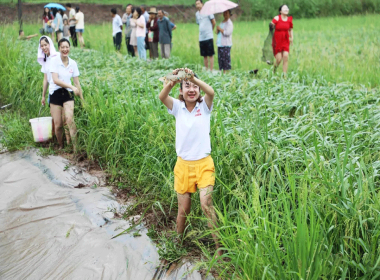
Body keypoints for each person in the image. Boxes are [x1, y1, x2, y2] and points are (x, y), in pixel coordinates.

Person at [158, 68, 222, 258]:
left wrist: (193, 78)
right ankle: (178, 242)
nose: (192, 89)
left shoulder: (205, 107)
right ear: (181, 91)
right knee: (183, 209)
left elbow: (211, 92)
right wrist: (172, 81)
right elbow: (162, 96)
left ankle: (220, 247)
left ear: (199, 90)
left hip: (204, 165)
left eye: (195, 86)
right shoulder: (177, 107)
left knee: (205, 203)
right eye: (187, 86)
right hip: (183, 166)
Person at [49, 38, 83, 152]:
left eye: (67, 47)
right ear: (59, 49)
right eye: (62, 47)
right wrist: (71, 86)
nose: (65, 49)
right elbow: (55, 80)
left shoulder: (73, 63)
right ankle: (61, 146)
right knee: (58, 124)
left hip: (68, 94)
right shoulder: (54, 61)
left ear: (69, 48)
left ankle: (75, 148)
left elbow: (77, 83)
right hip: (56, 93)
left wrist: (82, 100)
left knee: (69, 119)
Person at [271, 4, 293, 75]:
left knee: (286, 56)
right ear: (280, 11)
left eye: (287, 8)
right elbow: (271, 26)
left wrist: (291, 37)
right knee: (279, 59)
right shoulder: (277, 18)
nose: (286, 9)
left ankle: (284, 76)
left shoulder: (289, 20)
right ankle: (273, 70)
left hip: (285, 40)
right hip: (277, 40)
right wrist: (272, 24)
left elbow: (290, 29)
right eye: (284, 8)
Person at [195, 0, 216, 71]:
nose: (197, 5)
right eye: (196, 4)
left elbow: (213, 22)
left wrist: (211, 30)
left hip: (208, 36)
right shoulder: (197, 14)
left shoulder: (208, 11)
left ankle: (211, 69)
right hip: (201, 37)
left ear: (202, 4)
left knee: (210, 54)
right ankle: (206, 69)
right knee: (204, 55)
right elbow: (199, 23)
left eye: (198, 3)